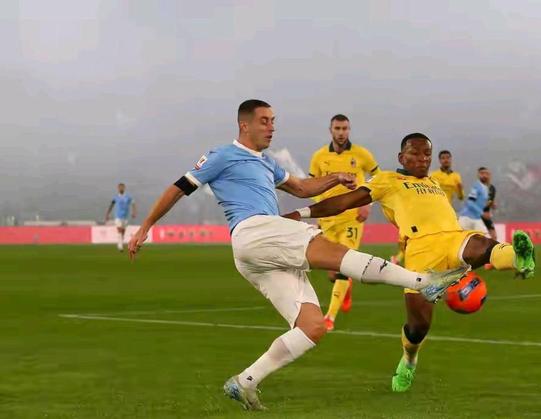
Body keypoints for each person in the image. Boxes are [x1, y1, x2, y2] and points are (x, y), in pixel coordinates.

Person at [127, 100, 468, 411]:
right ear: (244, 125)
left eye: (273, 121)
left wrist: (336, 177)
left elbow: (303, 188)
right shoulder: (221, 156)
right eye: (264, 121)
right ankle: (423, 281)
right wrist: (145, 227)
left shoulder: (267, 162)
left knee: (312, 327)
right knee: (336, 253)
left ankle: (245, 381)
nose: (271, 127)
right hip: (254, 229)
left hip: (256, 254)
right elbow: (179, 188)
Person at [283, 133, 536, 394]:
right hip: (421, 251)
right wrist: (301, 213)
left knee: (484, 246)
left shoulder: (433, 182)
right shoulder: (388, 180)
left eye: (427, 154)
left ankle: (519, 258)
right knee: (418, 328)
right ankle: (409, 359)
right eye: (415, 153)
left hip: (454, 238)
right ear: (401, 157)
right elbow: (343, 202)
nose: (423, 159)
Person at [308, 114, 380, 331]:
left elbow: (378, 177)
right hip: (328, 218)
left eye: (345, 128)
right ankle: (345, 287)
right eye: (337, 128)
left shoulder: (361, 154)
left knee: (344, 264)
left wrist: (368, 203)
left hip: (352, 217)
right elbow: (312, 185)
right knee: (332, 269)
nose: (341, 132)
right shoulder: (319, 157)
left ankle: (330, 316)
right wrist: (318, 211)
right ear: (330, 130)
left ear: (349, 130)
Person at [458, 167, 491, 234]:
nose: (484, 175)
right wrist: (482, 213)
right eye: (482, 173)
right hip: (467, 218)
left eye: (486, 174)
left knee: (485, 237)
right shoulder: (476, 186)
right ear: (478, 175)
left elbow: (480, 203)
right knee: (461, 238)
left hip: (476, 218)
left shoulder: (486, 188)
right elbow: (470, 202)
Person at [104, 183, 136, 252]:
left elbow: (133, 203)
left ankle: (120, 242)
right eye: (120, 187)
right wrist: (107, 214)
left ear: (124, 188)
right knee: (119, 230)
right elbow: (111, 205)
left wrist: (134, 212)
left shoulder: (128, 197)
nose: (121, 188)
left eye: (122, 187)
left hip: (125, 217)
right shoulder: (115, 197)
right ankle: (120, 246)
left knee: (123, 231)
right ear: (118, 189)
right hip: (118, 216)